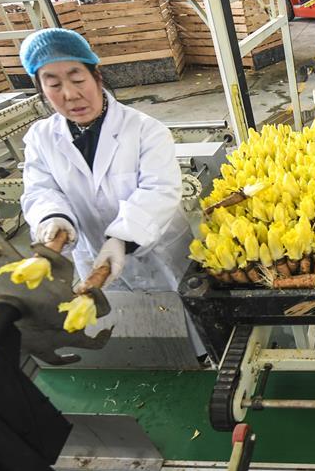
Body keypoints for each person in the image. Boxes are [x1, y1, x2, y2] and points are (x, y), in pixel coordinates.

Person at [19, 28, 192, 291]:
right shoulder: (40, 138)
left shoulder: (145, 129)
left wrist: (122, 239)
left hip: (158, 255)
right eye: (54, 85)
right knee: (122, 321)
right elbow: (40, 190)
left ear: (97, 76)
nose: (70, 94)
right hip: (93, 258)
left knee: (184, 321)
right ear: (42, 89)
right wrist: (51, 218)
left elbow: (160, 190)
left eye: (77, 79)